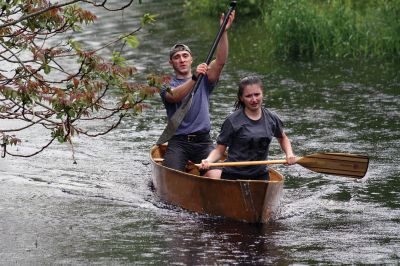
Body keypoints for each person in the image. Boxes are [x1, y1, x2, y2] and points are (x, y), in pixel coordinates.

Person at [160, 11, 235, 175]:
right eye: (177, 57)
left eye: (185, 56)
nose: (182, 59)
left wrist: (223, 31)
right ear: (171, 62)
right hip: (178, 142)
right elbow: (174, 96)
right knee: (172, 178)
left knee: (216, 175)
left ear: (191, 59)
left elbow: (221, 61)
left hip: (203, 141)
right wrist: (194, 78)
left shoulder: (206, 78)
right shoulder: (166, 84)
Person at [199, 76, 297, 180]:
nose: (254, 99)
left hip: (260, 175)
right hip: (233, 175)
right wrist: (208, 161)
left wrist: (289, 154)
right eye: (249, 96)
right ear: (241, 98)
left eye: (257, 94)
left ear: (262, 94)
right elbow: (219, 151)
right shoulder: (232, 121)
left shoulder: (271, 118)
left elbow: (283, 138)